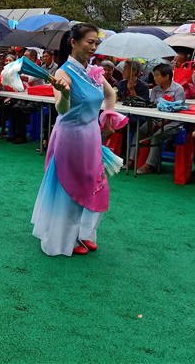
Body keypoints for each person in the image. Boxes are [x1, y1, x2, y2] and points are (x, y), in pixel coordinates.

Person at [32, 23, 116, 257]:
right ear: (73, 42)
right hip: (71, 137)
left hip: (91, 136)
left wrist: (107, 117)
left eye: (96, 43)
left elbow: (110, 94)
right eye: (90, 42)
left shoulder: (94, 71)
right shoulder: (62, 72)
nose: (94, 47)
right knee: (71, 187)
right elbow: (62, 109)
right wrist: (65, 94)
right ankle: (64, 238)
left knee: (94, 185)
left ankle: (84, 232)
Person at [127, 63, 186, 174]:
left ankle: (149, 165)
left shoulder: (178, 89)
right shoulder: (155, 89)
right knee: (139, 131)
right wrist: (152, 122)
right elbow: (152, 108)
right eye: (155, 75)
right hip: (156, 120)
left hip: (174, 122)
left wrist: (161, 124)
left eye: (158, 75)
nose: (154, 77)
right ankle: (131, 160)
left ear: (167, 76)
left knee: (156, 136)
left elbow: (178, 110)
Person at [7, 49, 45, 144]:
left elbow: (28, 79)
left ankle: (22, 137)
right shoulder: (25, 70)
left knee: (21, 111)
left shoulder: (38, 70)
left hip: (38, 99)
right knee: (14, 108)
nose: (23, 58)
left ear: (32, 58)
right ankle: (15, 134)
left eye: (26, 56)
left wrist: (13, 73)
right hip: (26, 97)